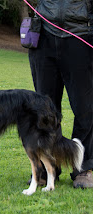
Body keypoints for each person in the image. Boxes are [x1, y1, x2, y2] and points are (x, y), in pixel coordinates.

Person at [28, 0, 93, 188]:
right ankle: (46, 167)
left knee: (85, 107)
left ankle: (83, 167)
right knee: (43, 109)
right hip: (44, 32)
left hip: (81, 34)